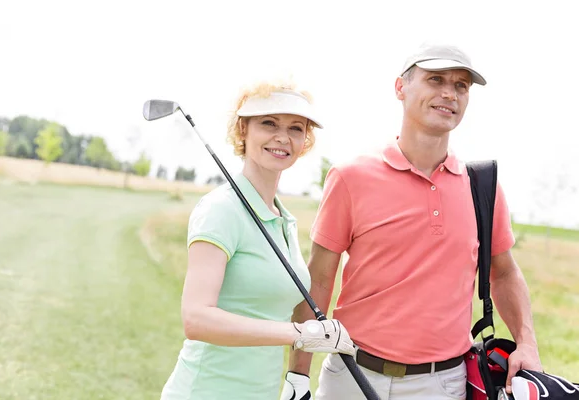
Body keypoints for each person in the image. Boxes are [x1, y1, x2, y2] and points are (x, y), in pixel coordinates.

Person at [280, 43, 543, 400]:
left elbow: (505, 272)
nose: (449, 93)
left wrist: (528, 343)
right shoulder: (350, 177)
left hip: (441, 384)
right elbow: (321, 278)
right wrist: (297, 375)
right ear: (401, 88)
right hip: (351, 375)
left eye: (461, 86)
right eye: (436, 80)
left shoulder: (482, 186)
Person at [159, 81, 356, 400]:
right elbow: (196, 319)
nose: (283, 137)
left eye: (295, 128)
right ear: (242, 129)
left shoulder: (283, 220)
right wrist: (300, 334)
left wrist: (298, 373)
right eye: (269, 123)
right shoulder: (221, 210)